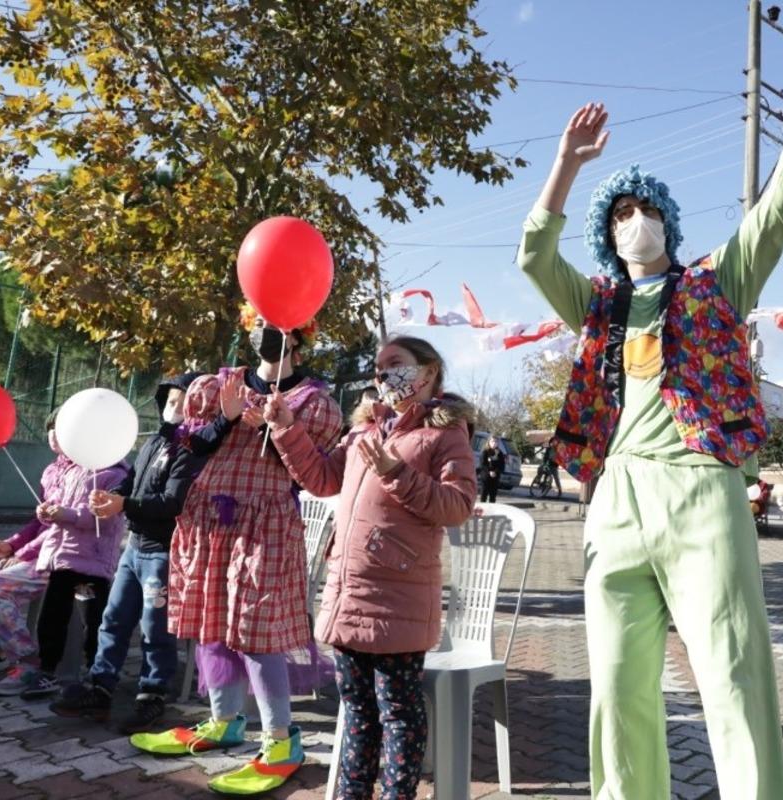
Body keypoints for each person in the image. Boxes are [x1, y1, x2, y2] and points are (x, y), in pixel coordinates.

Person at [516, 21, 783, 798]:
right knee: (615, 688)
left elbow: (775, 212)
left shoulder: (716, 283)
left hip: (703, 490)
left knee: (734, 675)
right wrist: (566, 168)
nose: (628, 222)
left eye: (640, 209)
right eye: (616, 217)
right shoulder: (599, 306)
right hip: (617, 499)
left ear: (667, 219)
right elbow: (535, 256)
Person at [131, 310, 343, 796]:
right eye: (260, 321)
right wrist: (226, 420)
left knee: (255, 631)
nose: (266, 332)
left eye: (279, 323)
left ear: (300, 337)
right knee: (208, 619)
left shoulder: (314, 401)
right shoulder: (215, 385)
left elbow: (309, 475)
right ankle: (224, 721)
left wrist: (277, 427)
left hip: (264, 525)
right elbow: (184, 444)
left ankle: (281, 742)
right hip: (206, 519)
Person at [268, 335, 477, 800]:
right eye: (378, 367)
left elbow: (458, 506)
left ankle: (396, 794)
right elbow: (324, 478)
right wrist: (287, 428)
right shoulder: (366, 429)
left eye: (395, 364)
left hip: (398, 597)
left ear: (428, 372)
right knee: (357, 710)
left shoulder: (445, 433)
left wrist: (395, 473)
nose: (383, 375)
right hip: (349, 590)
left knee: (398, 713)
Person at [48, 371, 243, 732]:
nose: (175, 408)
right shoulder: (156, 441)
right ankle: (101, 687)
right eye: (169, 402)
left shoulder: (192, 451)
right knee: (114, 619)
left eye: (182, 402)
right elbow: (131, 478)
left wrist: (124, 504)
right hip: (133, 549)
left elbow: (171, 502)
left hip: (163, 554)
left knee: (156, 628)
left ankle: (152, 695)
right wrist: (112, 495)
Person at [0, 410, 124, 697]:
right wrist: (11, 545)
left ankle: (29, 662)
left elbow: (75, 524)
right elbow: (41, 522)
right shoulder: (54, 471)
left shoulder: (107, 472)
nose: (53, 435)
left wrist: (24, 552)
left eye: (60, 428)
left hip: (63, 561)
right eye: (50, 428)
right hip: (41, 553)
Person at [480, 435, 505, 502]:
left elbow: (502, 465)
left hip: (495, 478)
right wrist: (489, 471)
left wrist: (495, 472)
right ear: (489, 442)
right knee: (483, 495)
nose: (494, 443)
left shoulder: (500, 453)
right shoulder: (485, 452)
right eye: (492, 441)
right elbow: (483, 464)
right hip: (486, 477)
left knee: (493, 497)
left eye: (496, 442)